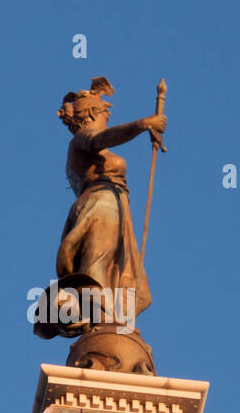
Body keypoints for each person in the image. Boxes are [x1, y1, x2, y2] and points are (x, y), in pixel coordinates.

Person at [50, 77, 166, 335]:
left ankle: (112, 322)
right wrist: (142, 124)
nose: (108, 115)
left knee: (118, 268)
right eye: (105, 111)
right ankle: (99, 320)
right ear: (91, 113)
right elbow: (102, 139)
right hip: (101, 205)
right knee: (98, 261)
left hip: (112, 204)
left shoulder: (85, 141)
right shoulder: (84, 137)